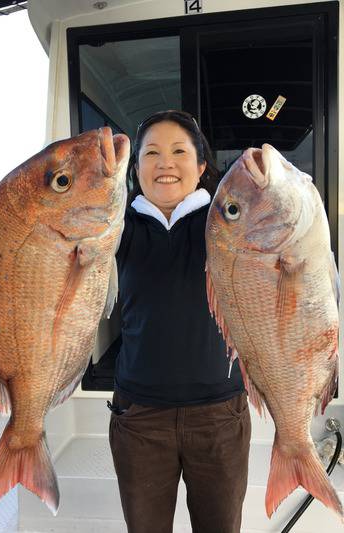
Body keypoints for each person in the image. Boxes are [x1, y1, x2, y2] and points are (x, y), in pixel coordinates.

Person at [108, 110, 251, 533]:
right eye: (151, 153)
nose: (164, 163)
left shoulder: (226, 223)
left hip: (219, 415)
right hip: (139, 418)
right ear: (136, 169)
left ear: (201, 165)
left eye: (178, 151)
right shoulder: (117, 227)